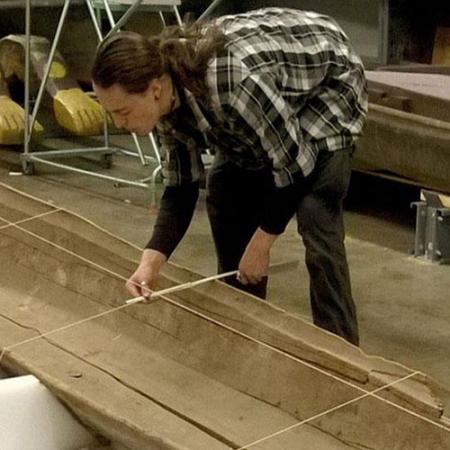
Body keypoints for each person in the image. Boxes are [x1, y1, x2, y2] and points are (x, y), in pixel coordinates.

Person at [91, 7, 368, 346]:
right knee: (224, 188)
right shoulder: (165, 104)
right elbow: (181, 188)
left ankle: (341, 349)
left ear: (156, 89)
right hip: (266, 91)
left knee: (315, 212)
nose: (119, 124)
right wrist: (150, 262)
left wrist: (261, 244)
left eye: (122, 112)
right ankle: (245, 328)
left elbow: (294, 167)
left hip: (328, 82)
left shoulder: (228, 80)